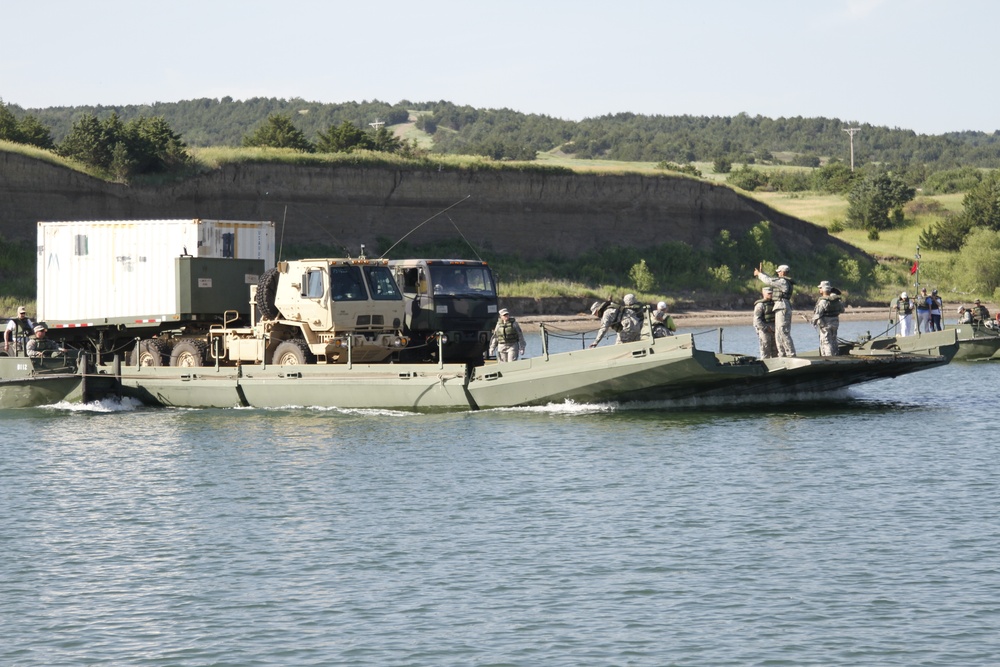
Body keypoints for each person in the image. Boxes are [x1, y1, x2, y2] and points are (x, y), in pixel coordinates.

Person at [753, 264, 796, 357]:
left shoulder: (783, 282)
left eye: (778, 272)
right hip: (780, 306)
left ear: (783, 272)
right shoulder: (783, 281)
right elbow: (772, 280)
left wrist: (759, 274)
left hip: (782, 307)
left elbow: (769, 281)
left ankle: (791, 354)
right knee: (778, 333)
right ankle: (782, 354)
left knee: (783, 331)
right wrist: (763, 273)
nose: (778, 273)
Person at [812, 281, 843, 356]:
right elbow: (842, 310)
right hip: (835, 324)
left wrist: (813, 321)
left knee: (826, 342)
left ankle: (829, 359)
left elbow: (817, 315)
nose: (819, 290)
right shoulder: (837, 300)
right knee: (834, 341)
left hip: (825, 325)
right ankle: (835, 357)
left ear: (823, 290)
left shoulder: (823, 301)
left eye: (820, 288)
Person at [752, 287, 778, 359]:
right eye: (769, 293)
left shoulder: (775, 303)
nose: (771, 295)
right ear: (764, 294)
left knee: (775, 350)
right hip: (764, 330)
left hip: (774, 329)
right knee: (765, 349)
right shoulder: (760, 305)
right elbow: (757, 320)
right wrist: (766, 328)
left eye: (772, 293)